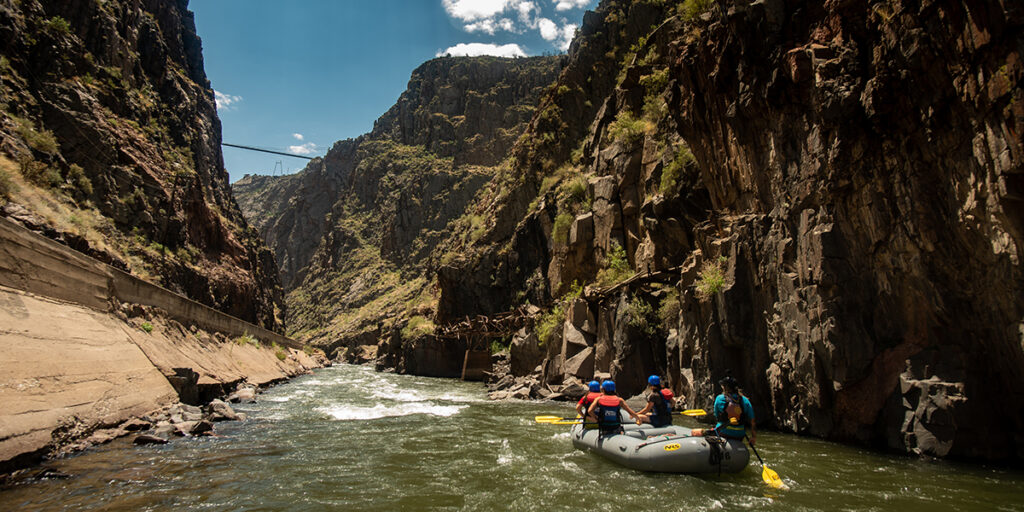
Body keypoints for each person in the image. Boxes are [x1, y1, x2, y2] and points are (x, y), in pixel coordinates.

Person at [691, 375, 756, 444]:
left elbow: (717, 415)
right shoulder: (745, 401)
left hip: (723, 432)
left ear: (725, 388)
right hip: (740, 435)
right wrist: (753, 437)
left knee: (695, 432)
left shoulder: (720, 398)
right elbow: (753, 421)